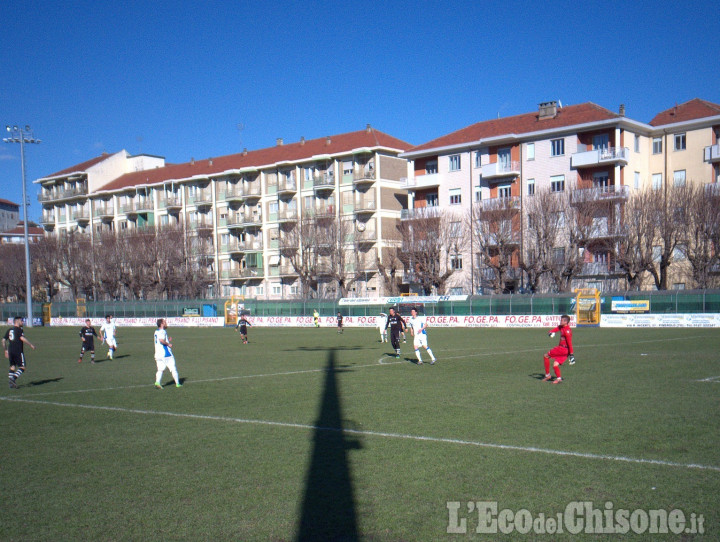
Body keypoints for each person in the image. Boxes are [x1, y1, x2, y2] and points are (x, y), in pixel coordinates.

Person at [3, 316, 36, 389]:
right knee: (22, 367)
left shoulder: (9, 330)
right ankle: (13, 378)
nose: (22, 322)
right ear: (17, 321)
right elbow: (22, 338)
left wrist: (5, 350)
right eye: (21, 321)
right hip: (18, 350)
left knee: (12, 366)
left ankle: (11, 384)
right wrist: (31, 345)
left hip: (10, 350)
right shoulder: (19, 329)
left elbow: (3, 340)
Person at [542, 314, 575, 384]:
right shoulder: (562, 327)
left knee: (546, 356)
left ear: (566, 322)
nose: (560, 321)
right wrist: (550, 332)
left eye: (562, 320)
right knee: (555, 364)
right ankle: (559, 378)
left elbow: (570, 343)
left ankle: (547, 375)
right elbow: (556, 329)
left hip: (562, 349)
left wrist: (572, 355)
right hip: (565, 351)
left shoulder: (567, 331)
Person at [154, 318, 182, 389]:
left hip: (158, 354)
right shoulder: (162, 331)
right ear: (161, 324)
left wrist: (167, 339)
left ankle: (157, 382)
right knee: (173, 368)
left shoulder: (156, 331)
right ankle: (178, 383)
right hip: (166, 354)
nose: (166, 323)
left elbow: (160, 339)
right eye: (164, 322)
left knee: (160, 369)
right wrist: (168, 344)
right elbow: (161, 340)